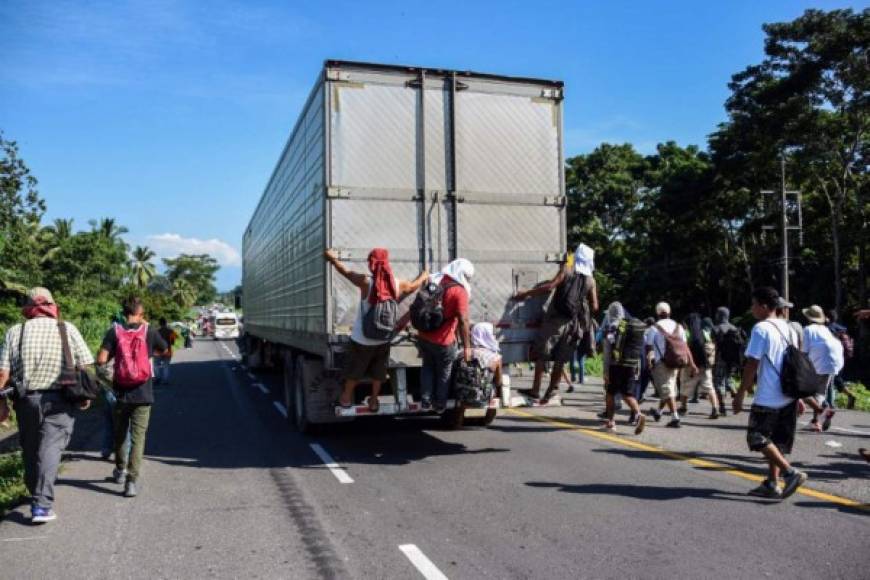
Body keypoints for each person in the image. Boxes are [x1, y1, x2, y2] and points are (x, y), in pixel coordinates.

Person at [0, 288, 95, 524]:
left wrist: (1, 403)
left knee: (31, 448)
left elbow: (3, 373)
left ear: (29, 307)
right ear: (52, 305)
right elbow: (86, 364)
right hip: (60, 400)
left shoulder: (15, 331)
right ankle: (41, 505)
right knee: (50, 448)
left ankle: (36, 492)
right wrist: (86, 395)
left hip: (26, 401)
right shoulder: (67, 328)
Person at [325, 248, 427, 411]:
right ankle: (374, 400)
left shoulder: (366, 282)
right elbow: (413, 287)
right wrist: (424, 276)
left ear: (371, 263)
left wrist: (332, 259)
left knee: (355, 371)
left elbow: (345, 271)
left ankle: (345, 398)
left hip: (362, 338)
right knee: (379, 371)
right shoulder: (397, 283)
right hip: (384, 337)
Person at [733, 286, 808, 500]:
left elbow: (752, 363)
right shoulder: (791, 328)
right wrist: (798, 397)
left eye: (754, 304)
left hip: (768, 395)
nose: (752, 308)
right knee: (777, 442)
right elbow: (795, 364)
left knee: (757, 437)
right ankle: (772, 483)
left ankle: (789, 473)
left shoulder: (761, 329)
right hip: (789, 394)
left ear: (764, 306)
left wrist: (740, 394)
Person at [96, 296, 168, 498]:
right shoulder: (149, 331)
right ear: (141, 314)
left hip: (121, 393)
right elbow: (164, 351)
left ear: (124, 312)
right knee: (138, 439)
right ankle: (131, 482)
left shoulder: (114, 332)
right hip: (144, 394)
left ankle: (120, 471)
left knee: (120, 436)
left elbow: (101, 359)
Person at [514, 244, 599, 404]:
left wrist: (526, 294)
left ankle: (535, 390)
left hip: (555, 321)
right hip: (574, 325)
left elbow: (549, 287)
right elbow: (595, 306)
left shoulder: (567, 269)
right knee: (561, 359)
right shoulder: (591, 281)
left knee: (542, 354)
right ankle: (551, 391)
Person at [417, 259, 474, 412]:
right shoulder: (459, 291)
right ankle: (440, 404)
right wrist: (467, 346)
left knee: (427, 367)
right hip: (443, 340)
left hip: (424, 336)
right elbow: (463, 320)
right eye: (468, 277)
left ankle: (425, 400)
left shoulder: (435, 280)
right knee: (444, 371)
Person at [645, 302, 697, 428]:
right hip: (677, 362)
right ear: (669, 313)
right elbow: (685, 348)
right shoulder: (678, 327)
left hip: (661, 363)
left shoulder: (654, 328)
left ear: (657, 313)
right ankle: (659, 412)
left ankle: (675, 417)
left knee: (666, 389)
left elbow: (649, 347)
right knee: (670, 387)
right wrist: (692, 364)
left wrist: (648, 363)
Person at [600, 302, 646, 434]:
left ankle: (610, 423)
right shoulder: (629, 325)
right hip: (631, 364)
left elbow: (608, 351)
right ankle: (638, 414)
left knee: (610, 394)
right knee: (627, 393)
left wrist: (606, 372)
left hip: (616, 366)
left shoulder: (612, 328)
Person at [800, 305, 843, 432]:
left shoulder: (808, 330)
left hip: (819, 361)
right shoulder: (826, 329)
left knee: (803, 391)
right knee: (819, 393)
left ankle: (821, 413)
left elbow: (803, 352)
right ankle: (816, 421)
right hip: (834, 362)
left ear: (808, 318)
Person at [679, 313, 721, 419]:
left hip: (691, 365)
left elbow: (684, 347)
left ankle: (683, 407)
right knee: (709, 387)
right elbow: (710, 345)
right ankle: (715, 408)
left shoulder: (687, 333)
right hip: (705, 364)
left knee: (685, 385)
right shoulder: (704, 332)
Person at [711, 306, 743, 416]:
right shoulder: (734, 328)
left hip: (721, 358)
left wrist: (714, 361)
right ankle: (736, 395)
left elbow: (714, 346)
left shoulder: (716, 328)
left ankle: (722, 406)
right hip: (733, 360)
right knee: (728, 378)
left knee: (719, 381)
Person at [471, 322, 503, 390]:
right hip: (483, 399)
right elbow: (498, 383)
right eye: (492, 334)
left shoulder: (463, 354)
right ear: (488, 336)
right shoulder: (496, 358)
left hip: (462, 396)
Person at [154, 318, 177, 386]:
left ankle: (158, 378)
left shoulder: (156, 332)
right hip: (168, 351)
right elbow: (173, 342)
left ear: (159, 323)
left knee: (156, 365)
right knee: (166, 366)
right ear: (166, 323)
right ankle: (165, 380)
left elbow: (154, 342)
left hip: (157, 351)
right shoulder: (171, 331)